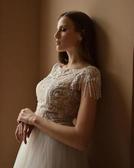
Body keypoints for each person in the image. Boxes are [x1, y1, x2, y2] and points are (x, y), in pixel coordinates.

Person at [13, 11, 101, 168]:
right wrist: (26, 119)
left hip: (60, 152)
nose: (55, 35)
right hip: (33, 148)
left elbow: (81, 139)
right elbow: (45, 106)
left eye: (63, 29)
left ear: (81, 35)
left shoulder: (89, 74)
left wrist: (34, 119)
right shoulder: (56, 69)